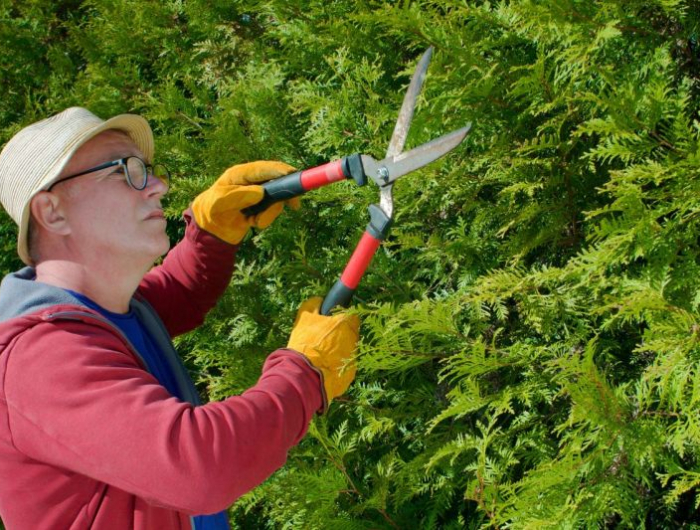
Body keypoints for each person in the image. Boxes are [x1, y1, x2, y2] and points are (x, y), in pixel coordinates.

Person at [0, 107, 359, 529]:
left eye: (148, 169)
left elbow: (175, 294)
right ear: (53, 211)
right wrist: (306, 374)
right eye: (124, 171)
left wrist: (212, 234)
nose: (158, 186)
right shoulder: (41, 359)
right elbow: (199, 466)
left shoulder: (106, 313)